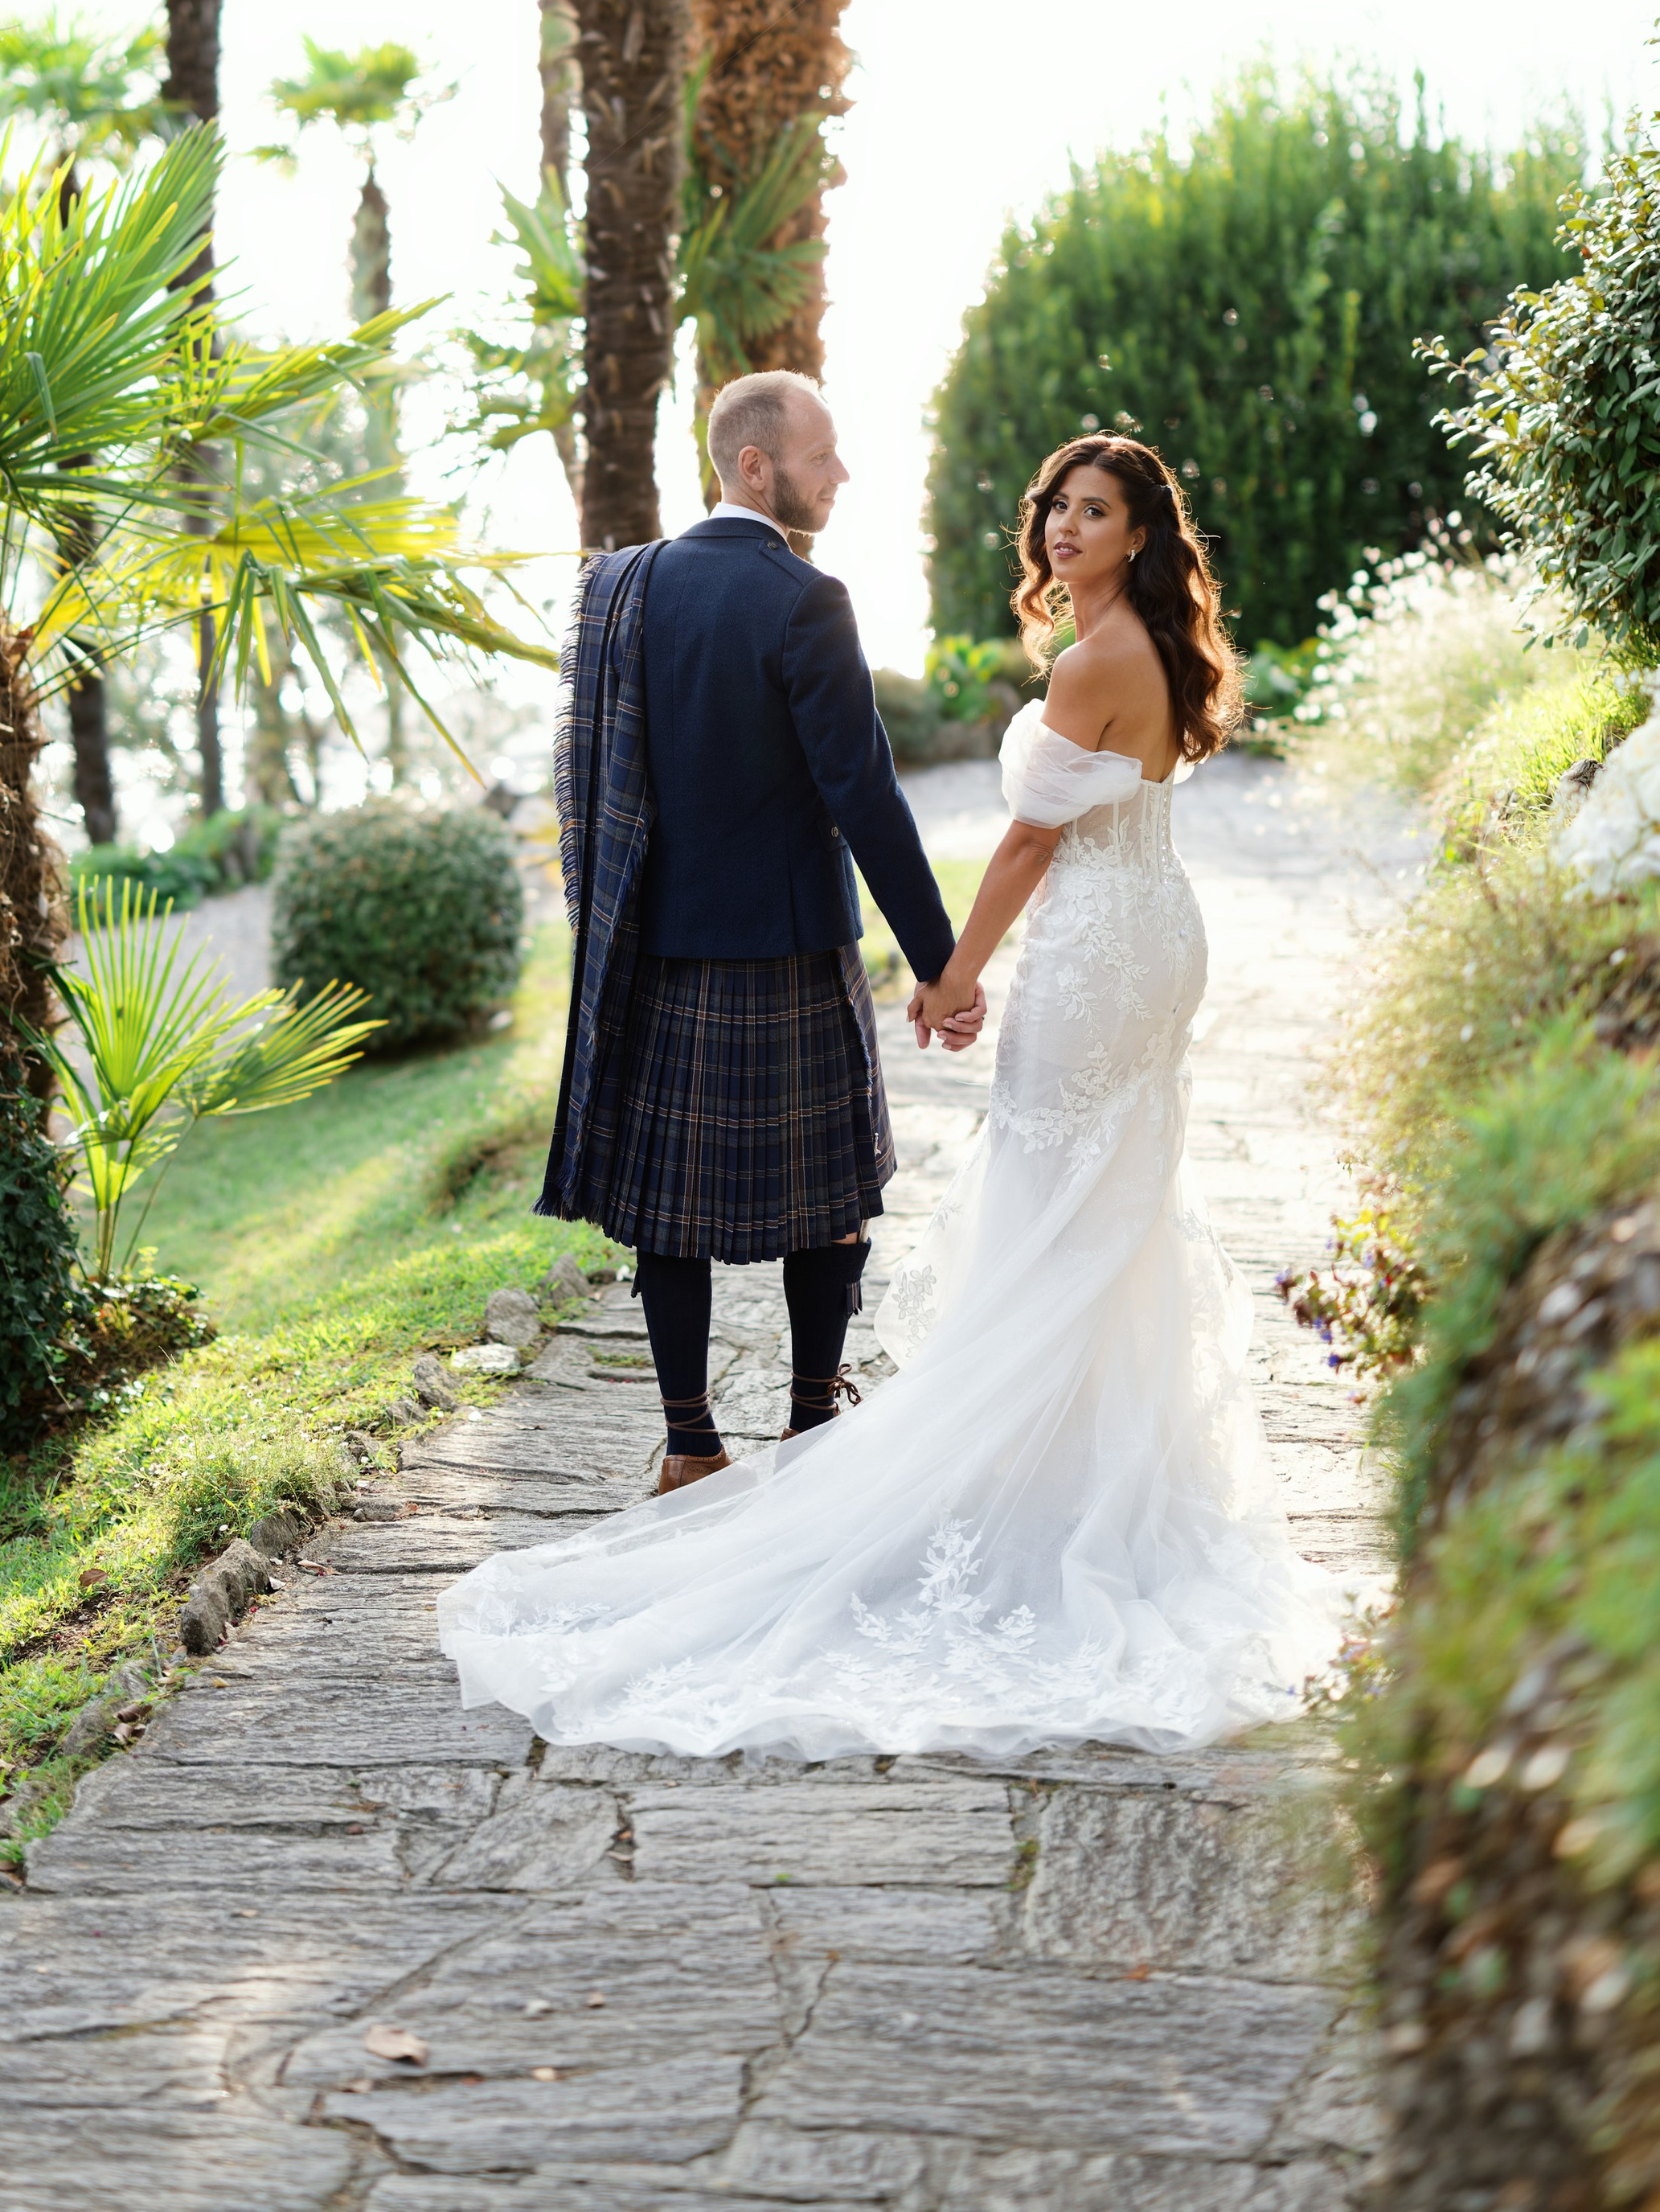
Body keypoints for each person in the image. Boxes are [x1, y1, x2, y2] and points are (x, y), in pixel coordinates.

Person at [438, 433, 1342, 1759]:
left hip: (1093, 953)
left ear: (1144, 534)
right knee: (1110, 1209)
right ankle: (1075, 1467)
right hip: (1152, 936)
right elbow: (871, 789)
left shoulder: (1082, 661)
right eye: (1058, 508)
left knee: (1051, 1201)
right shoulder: (1146, 647)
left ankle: (951, 1464)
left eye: (1096, 512)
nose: (1064, 529)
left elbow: (1024, 839)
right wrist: (937, 957)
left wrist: (951, 972)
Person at [531, 371, 956, 1490]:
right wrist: (941, 962)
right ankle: (812, 1426)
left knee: (669, 1215)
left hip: (657, 952)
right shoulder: (805, 599)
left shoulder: (627, 586)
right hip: (788, 955)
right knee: (829, 1205)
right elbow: (864, 795)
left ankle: (690, 1444)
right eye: (822, 456)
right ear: (755, 467)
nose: (841, 473)